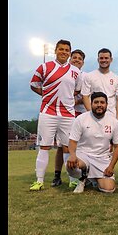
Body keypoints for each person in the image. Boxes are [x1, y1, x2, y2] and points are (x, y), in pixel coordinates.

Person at [29, 39, 81, 191]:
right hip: (48, 112)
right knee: (44, 147)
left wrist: (66, 98)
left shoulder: (76, 72)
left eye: (66, 50)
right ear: (56, 50)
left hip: (68, 114)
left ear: (69, 53)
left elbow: (77, 90)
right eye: (61, 49)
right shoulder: (45, 67)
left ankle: (72, 179)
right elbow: (34, 85)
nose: (64, 52)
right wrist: (47, 96)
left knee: (68, 148)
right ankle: (39, 181)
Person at [66, 92, 118, 194]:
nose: (99, 105)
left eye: (102, 102)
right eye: (96, 102)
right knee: (71, 165)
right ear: (91, 103)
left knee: (108, 189)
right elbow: (72, 141)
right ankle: (82, 178)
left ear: (107, 104)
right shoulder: (81, 119)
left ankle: (92, 179)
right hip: (83, 156)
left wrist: (111, 167)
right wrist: (73, 155)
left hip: (102, 159)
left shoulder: (113, 122)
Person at [52, 49, 86, 188]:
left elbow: (86, 96)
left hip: (80, 114)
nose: (77, 60)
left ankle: (78, 175)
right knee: (62, 146)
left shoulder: (84, 76)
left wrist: (72, 102)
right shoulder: (62, 74)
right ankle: (58, 175)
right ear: (70, 59)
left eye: (80, 58)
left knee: (80, 146)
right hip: (65, 114)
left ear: (83, 62)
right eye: (74, 58)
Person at [81, 48, 118, 122]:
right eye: (101, 58)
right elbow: (85, 96)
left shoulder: (116, 78)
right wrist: (91, 113)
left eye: (106, 58)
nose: (104, 60)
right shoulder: (89, 76)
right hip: (93, 117)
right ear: (98, 60)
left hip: (111, 116)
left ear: (111, 59)